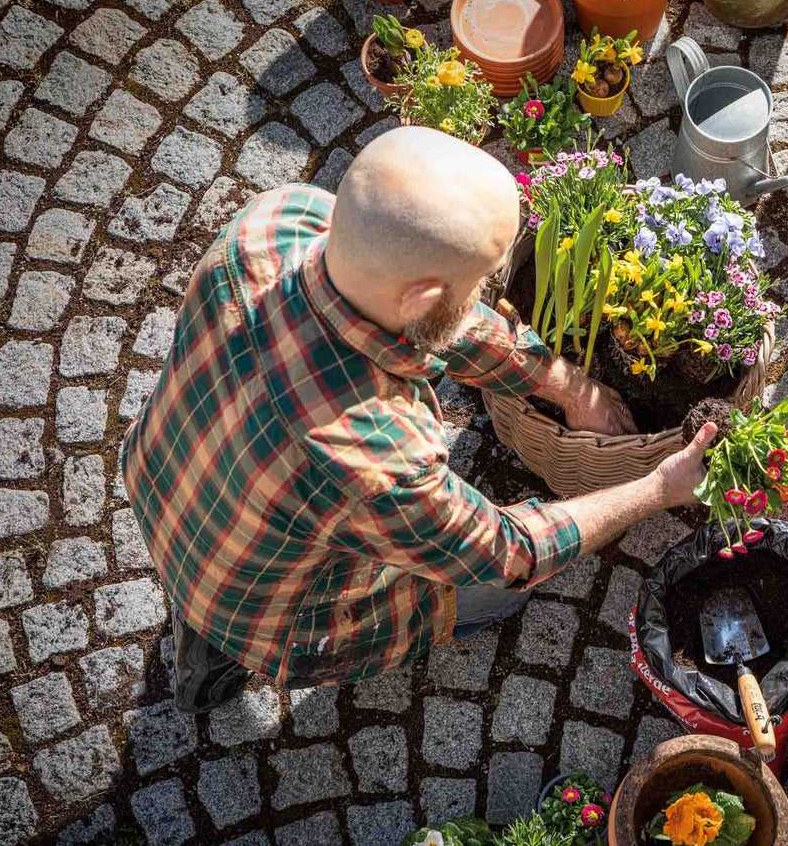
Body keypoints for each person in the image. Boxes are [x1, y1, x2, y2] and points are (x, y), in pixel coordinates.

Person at [122, 127, 716, 713]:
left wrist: (566, 385)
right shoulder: (379, 459)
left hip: (161, 471)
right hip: (258, 609)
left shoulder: (277, 219)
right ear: (424, 299)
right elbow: (513, 553)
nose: (488, 291)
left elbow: (444, 319)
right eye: (479, 281)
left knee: (214, 578)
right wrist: (656, 488)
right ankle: (218, 654)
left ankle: (198, 637)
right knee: (494, 597)